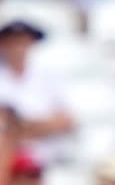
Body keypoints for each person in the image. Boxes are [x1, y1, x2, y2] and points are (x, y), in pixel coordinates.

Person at [0, 19, 73, 166]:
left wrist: (22, 128)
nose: (18, 48)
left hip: (47, 158)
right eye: (13, 42)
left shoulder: (48, 74)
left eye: (23, 41)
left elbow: (68, 120)